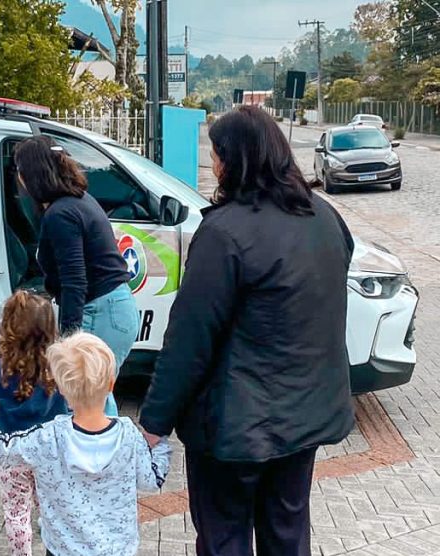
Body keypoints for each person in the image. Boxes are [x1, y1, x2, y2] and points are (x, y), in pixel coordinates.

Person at [140, 105, 355, 556]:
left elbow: (189, 338)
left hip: (235, 428)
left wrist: (154, 422)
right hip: (304, 419)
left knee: (224, 538)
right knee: (287, 533)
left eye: (217, 153)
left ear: (234, 159)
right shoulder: (325, 217)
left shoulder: (224, 232)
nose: (213, 164)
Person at [0, 332, 171, 556]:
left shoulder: (48, 438)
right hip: (118, 550)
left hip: (62, 550)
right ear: (111, 384)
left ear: (60, 387)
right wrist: (160, 442)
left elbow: (1, 447)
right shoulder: (129, 436)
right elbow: (152, 480)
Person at [14, 136, 139, 416]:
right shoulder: (79, 200)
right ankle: (105, 455)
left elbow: (74, 282)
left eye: (19, 170)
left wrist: (69, 344)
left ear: (30, 175)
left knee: (86, 403)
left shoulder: (61, 214)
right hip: (115, 310)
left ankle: (96, 457)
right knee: (98, 398)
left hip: (100, 312)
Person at [0, 290, 69, 556]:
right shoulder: (57, 368)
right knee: (52, 508)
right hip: (50, 452)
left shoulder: (2, 370)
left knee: (16, 513)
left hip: (12, 452)